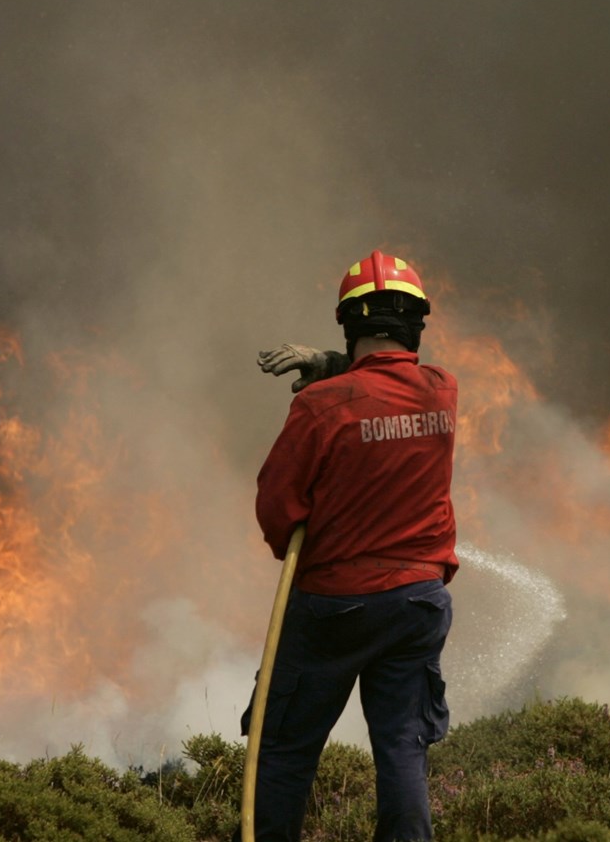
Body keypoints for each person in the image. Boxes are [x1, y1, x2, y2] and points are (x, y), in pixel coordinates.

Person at [243, 249, 459, 842]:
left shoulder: (318, 406)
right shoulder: (443, 391)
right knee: (403, 747)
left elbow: (277, 508)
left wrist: (328, 368)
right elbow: (389, 383)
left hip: (333, 607)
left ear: (349, 322)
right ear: (415, 323)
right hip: (419, 602)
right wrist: (335, 365)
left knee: (284, 749)